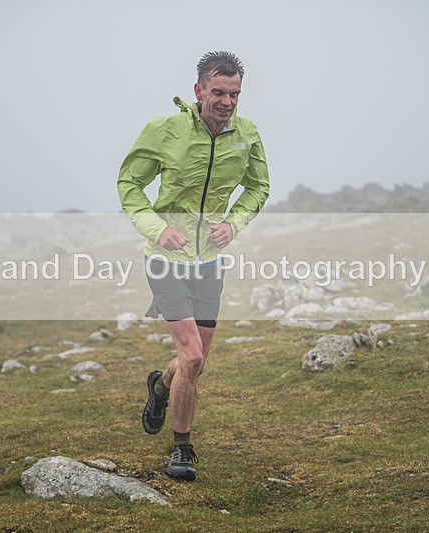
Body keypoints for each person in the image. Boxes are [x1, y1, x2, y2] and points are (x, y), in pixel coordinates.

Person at [117, 51, 269, 481]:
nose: (227, 102)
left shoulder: (248, 134)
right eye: (218, 92)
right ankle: (182, 449)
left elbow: (259, 187)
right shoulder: (164, 131)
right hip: (166, 259)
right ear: (199, 90)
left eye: (234, 94)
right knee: (193, 355)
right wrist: (156, 229)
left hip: (209, 263)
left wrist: (233, 224)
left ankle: (161, 387)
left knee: (194, 364)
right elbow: (129, 183)